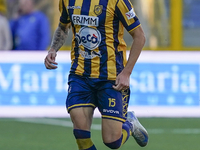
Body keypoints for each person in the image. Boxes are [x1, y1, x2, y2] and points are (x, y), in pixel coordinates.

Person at [44, 0, 148, 149]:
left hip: (110, 76)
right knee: (81, 134)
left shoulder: (117, 2)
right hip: (80, 75)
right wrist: (53, 49)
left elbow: (139, 36)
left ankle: (129, 123)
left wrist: (126, 73)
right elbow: (63, 26)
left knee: (112, 141)